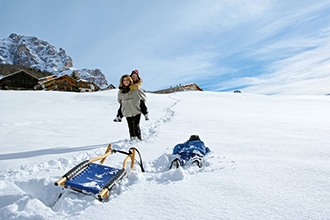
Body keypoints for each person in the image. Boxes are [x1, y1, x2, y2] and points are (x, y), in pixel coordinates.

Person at [117, 74, 147, 140]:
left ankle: (139, 140)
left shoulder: (136, 89)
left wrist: (138, 104)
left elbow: (143, 97)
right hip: (127, 111)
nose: (126, 81)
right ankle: (132, 140)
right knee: (130, 127)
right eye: (124, 80)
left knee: (136, 126)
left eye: (127, 80)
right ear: (122, 82)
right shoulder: (121, 91)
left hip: (136, 110)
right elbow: (119, 101)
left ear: (130, 81)